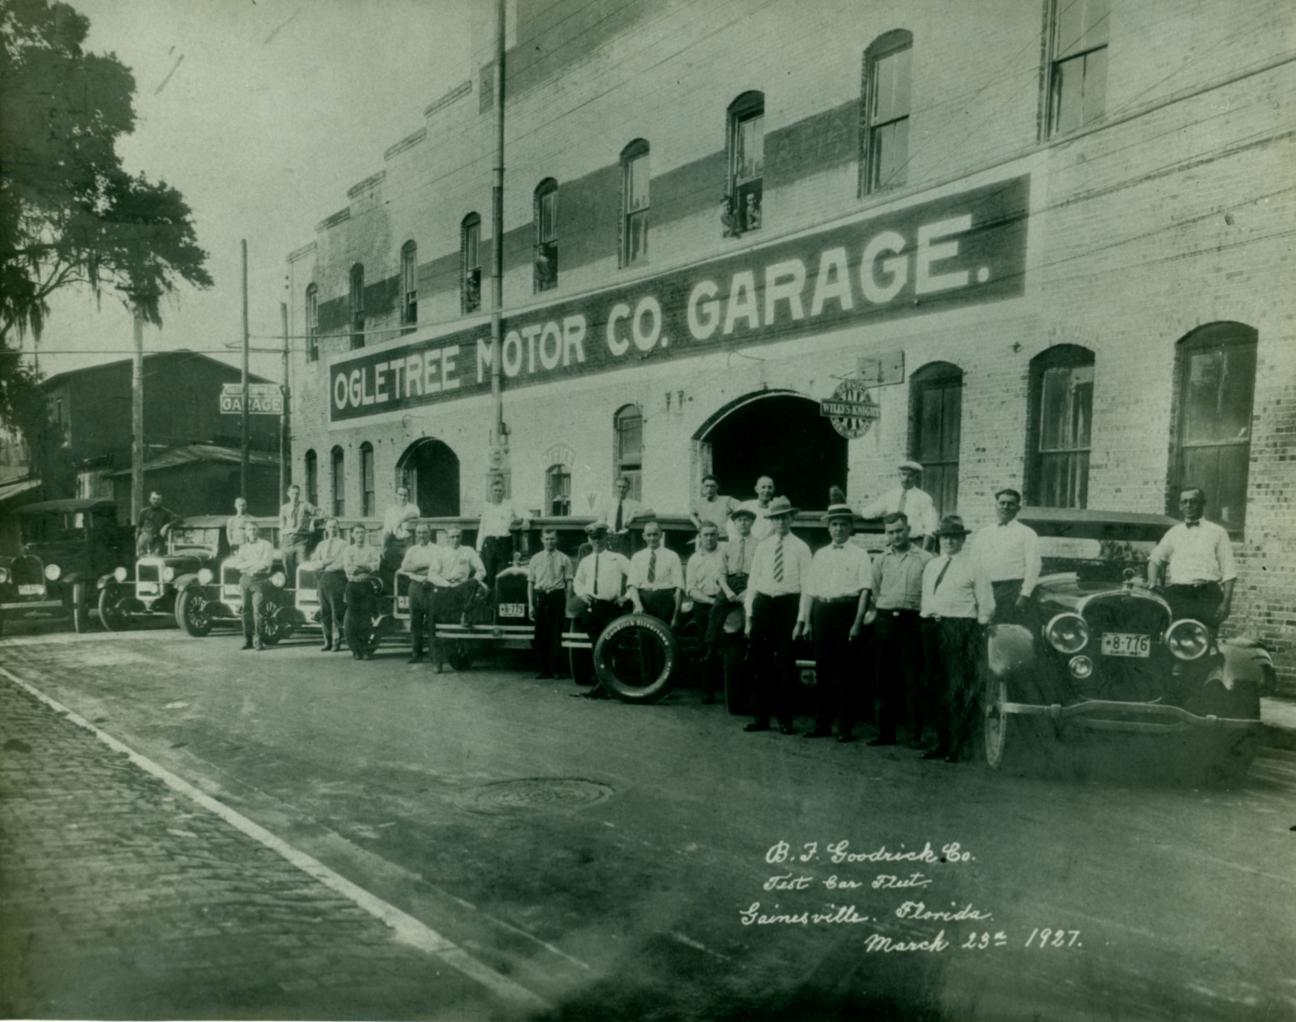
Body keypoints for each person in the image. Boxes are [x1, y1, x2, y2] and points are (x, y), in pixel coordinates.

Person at [920, 515, 994, 763]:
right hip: (934, 626)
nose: (949, 541)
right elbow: (927, 599)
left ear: (962, 539)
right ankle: (941, 743)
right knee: (935, 686)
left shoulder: (975, 566)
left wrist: (978, 630)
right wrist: (927, 621)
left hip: (961, 627)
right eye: (945, 537)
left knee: (957, 688)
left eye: (954, 537)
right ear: (939, 539)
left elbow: (986, 603)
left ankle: (957, 746)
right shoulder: (932, 565)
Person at [743, 496, 812, 735]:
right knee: (759, 663)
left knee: (786, 664)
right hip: (763, 604)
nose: (780, 522)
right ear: (771, 521)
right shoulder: (763, 546)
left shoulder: (801, 548)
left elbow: (806, 586)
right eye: (776, 518)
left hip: (788, 606)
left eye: (784, 517)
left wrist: (802, 620)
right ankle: (761, 718)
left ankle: (785, 719)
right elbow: (753, 582)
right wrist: (749, 616)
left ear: (792, 518)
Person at [804, 502, 872, 743]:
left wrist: (857, 623)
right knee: (823, 669)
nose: (839, 529)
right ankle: (821, 724)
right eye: (834, 524)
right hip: (822, 611)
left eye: (843, 524)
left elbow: (865, 591)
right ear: (828, 528)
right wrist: (808, 622)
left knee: (846, 672)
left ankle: (844, 726)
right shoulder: (820, 554)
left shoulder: (860, 555)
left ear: (850, 528)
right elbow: (810, 590)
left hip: (847, 611)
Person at [864, 511, 933, 747]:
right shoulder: (881, 560)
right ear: (887, 533)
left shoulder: (925, 559)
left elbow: (931, 592)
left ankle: (914, 735)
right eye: (891, 532)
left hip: (912, 621)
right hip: (885, 621)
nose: (896, 535)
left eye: (899, 531)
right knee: (884, 678)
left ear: (909, 530)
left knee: (912, 679)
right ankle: (884, 733)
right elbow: (874, 591)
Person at [1147, 487, 1237, 628]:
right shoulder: (1174, 532)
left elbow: (1229, 571)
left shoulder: (1218, 532)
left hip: (1208, 595)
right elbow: (1155, 560)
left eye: (1193, 501)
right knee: (1177, 636)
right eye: (1185, 502)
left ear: (1203, 503)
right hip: (1178, 595)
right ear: (1180, 506)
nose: (1188, 505)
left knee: (1205, 639)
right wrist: (1152, 582)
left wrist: (1226, 603)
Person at [572, 522, 631, 698]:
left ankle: (613, 685)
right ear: (589, 539)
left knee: (612, 647)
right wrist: (582, 594)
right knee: (597, 647)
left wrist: (626, 596)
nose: (596, 542)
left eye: (599, 538)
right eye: (593, 538)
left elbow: (635, 575)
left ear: (606, 538)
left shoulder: (617, 558)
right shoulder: (585, 561)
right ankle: (602, 684)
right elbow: (577, 581)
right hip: (591, 608)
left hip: (611, 608)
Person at [971, 488, 1040, 625]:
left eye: (1010, 504)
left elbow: (1033, 566)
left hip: (1011, 590)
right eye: (1002, 503)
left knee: (1004, 629)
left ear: (1018, 508)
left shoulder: (1027, 533)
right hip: (984, 589)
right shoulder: (984, 533)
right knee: (981, 627)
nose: (1005, 507)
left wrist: (1025, 594)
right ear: (996, 505)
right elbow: (973, 562)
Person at [685, 522, 727, 702]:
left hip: (725, 603)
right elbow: (691, 589)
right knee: (705, 646)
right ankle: (707, 691)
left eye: (712, 534)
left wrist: (720, 601)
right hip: (704, 604)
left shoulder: (726, 554)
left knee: (727, 645)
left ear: (718, 536)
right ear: (700, 537)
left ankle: (728, 689)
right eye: (706, 535)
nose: (709, 538)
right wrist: (711, 601)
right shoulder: (694, 559)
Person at [860, 460, 941, 549]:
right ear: (899, 476)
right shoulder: (890, 495)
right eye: (903, 474)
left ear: (916, 478)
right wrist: (852, 511)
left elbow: (930, 527)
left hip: (914, 543)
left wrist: (924, 552)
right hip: (893, 544)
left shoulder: (924, 498)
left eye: (910, 476)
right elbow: (871, 512)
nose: (906, 479)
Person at [527, 527, 573, 679]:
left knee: (555, 634)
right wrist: (531, 605)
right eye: (546, 539)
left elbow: (569, 583)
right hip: (541, 596)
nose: (549, 542)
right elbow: (530, 583)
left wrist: (567, 605)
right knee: (540, 634)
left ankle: (555, 669)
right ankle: (543, 669)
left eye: (552, 538)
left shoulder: (564, 559)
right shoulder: (536, 558)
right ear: (542, 540)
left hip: (557, 596)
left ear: (557, 539)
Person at [399, 522, 446, 666]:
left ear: (429, 533)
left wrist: (420, 569)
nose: (421, 535)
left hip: (431, 586)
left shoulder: (438, 549)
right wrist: (422, 566)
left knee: (432, 620)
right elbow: (405, 567)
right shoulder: (412, 550)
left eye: (424, 532)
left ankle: (433, 654)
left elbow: (439, 569)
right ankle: (416, 653)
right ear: (416, 534)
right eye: (419, 533)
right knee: (415, 620)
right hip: (415, 587)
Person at [229, 521, 275, 651]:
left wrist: (248, 564)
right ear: (246, 532)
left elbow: (265, 564)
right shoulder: (243, 548)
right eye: (249, 530)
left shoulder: (266, 545)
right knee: (245, 610)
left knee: (258, 611)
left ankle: (258, 640)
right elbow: (237, 565)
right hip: (245, 580)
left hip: (260, 581)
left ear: (258, 531)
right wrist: (254, 562)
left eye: (254, 529)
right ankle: (247, 640)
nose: (252, 532)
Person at [627, 520, 683, 626]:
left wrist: (676, 615)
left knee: (664, 635)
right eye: (649, 535)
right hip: (644, 600)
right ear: (643, 536)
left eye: (655, 534)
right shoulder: (637, 557)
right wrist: (638, 605)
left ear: (661, 535)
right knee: (645, 637)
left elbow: (679, 588)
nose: (652, 538)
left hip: (665, 601)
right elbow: (632, 585)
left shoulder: (672, 556)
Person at [307, 517, 350, 652]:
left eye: (335, 527)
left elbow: (342, 563)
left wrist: (328, 565)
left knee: (336, 611)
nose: (332, 530)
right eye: (330, 527)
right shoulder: (321, 545)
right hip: (322, 580)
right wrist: (325, 563)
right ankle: (327, 641)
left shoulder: (344, 545)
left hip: (337, 579)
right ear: (326, 529)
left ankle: (337, 641)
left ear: (339, 529)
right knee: (324, 611)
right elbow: (314, 564)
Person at [342, 524, 381, 659]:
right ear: (352, 535)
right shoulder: (348, 550)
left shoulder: (372, 550)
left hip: (366, 586)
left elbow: (375, 566)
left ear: (365, 534)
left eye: (362, 532)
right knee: (352, 618)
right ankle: (355, 650)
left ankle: (365, 649)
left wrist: (360, 566)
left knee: (365, 617)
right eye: (357, 532)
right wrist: (366, 567)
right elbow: (349, 569)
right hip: (352, 586)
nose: (360, 535)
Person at [477, 475, 521, 588]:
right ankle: (490, 603)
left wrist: (526, 520)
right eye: (495, 490)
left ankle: (500, 602)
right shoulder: (486, 507)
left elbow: (526, 514)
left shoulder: (510, 505)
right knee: (488, 575)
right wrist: (478, 549)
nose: (498, 493)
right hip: (489, 543)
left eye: (500, 490)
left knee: (503, 574)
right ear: (491, 492)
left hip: (504, 543)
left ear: (504, 492)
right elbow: (482, 529)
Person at [594, 476, 653, 555]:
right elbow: (600, 521)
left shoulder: (633, 504)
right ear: (615, 488)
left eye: (624, 487)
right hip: (608, 536)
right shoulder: (607, 503)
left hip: (624, 537)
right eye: (619, 487)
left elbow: (651, 512)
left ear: (628, 489)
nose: (621, 490)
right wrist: (606, 528)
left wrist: (634, 516)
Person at [279, 484, 319, 586]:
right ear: (288, 494)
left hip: (301, 540)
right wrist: (285, 534)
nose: (295, 495)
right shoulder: (284, 508)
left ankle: (302, 587)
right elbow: (281, 525)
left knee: (303, 565)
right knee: (287, 564)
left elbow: (320, 512)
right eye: (293, 493)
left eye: (297, 493)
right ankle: (291, 587)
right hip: (287, 540)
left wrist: (312, 522)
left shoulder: (304, 505)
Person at [381, 485, 421, 572]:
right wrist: (383, 547)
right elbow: (387, 531)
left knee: (410, 563)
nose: (402, 498)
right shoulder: (390, 511)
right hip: (395, 542)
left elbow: (415, 514)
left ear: (408, 496)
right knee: (387, 560)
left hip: (410, 541)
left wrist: (400, 520)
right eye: (400, 495)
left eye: (405, 495)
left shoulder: (413, 507)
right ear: (396, 495)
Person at [690, 474, 736, 539]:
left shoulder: (727, 500)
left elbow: (743, 508)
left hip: (723, 536)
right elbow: (692, 514)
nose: (709, 489)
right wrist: (698, 525)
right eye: (707, 486)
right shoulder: (699, 502)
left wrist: (731, 520)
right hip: (706, 537)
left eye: (712, 486)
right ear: (703, 487)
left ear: (718, 487)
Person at [136, 491, 181, 556]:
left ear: (161, 500)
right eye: (154, 499)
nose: (156, 501)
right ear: (150, 499)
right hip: (143, 542)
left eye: (158, 499)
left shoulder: (165, 512)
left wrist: (166, 526)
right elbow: (138, 528)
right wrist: (137, 542)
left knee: (156, 561)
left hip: (158, 542)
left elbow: (179, 519)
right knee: (142, 560)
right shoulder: (143, 512)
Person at [734, 476, 777, 543]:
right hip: (748, 544)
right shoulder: (746, 506)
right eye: (763, 487)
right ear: (756, 489)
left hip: (768, 546)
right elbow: (731, 525)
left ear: (773, 489)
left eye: (770, 487)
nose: (766, 490)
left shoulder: (776, 508)